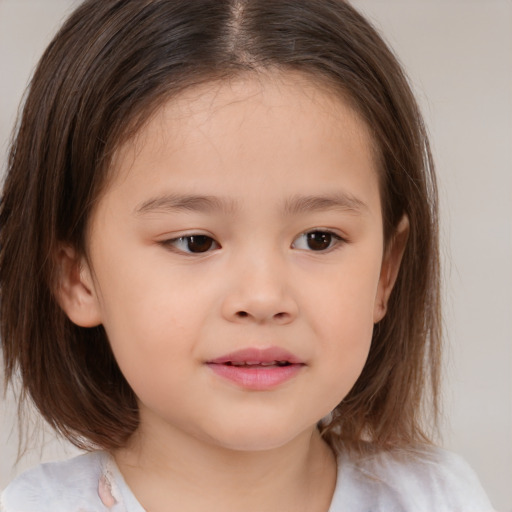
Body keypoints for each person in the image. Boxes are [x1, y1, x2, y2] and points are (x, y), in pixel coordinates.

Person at [0, 0, 495, 511]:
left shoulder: (439, 499)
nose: (262, 298)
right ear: (76, 277)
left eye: (319, 238)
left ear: (386, 273)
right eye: (196, 241)